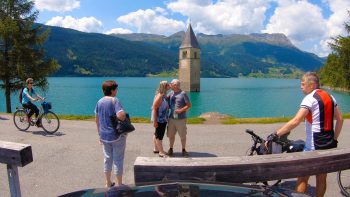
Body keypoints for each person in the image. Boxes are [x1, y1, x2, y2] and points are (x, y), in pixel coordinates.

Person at [265, 72, 343, 197]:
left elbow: (296, 120)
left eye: (303, 84)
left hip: (313, 146)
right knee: (322, 178)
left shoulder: (310, 98)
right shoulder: (330, 97)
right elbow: (340, 119)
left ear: (312, 85)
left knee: (302, 177)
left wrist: (275, 134)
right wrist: (334, 139)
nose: (301, 86)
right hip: (327, 144)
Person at [95, 80, 127, 187]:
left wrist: (99, 134)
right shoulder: (115, 100)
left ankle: (108, 182)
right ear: (112, 90)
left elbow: (97, 119)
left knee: (107, 159)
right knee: (118, 159)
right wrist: (117, 116)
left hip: (104, 135)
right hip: (116, 135)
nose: (117, 91)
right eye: (116, 89)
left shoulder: (99, 101)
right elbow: (121, 115)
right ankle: (119, 184)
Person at [167, 79, 192, 157]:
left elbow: (189, 105)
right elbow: (165, 101)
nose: (171, 85)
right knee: (171, 135)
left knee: (182, 135)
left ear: (177, 85)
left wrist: (181, 110)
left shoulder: (183, 93)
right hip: (171, 118)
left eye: (173, 84)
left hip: (181, 119)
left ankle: (183, 150)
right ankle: (171, 149)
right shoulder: (170, 93)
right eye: (171, 84)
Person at [151, 81, 170, 157]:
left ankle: (156, 149)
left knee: (156, 133)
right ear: (165, 86)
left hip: (163, 118)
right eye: (168, 84)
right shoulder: (160, 96)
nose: (170, 85)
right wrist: (155, 121)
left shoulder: (163, 95)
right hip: (160, 119)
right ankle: (161, 152)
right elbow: (155, 108)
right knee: (159, 136)